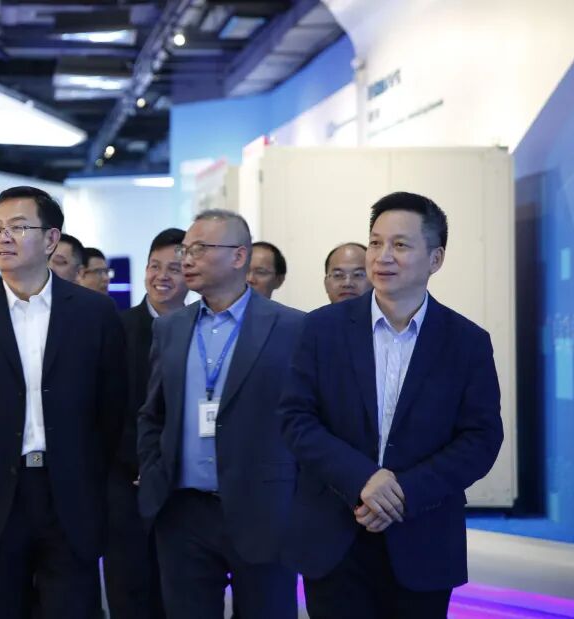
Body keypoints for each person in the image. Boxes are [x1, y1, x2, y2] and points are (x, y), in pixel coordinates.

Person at [279, 192, 503, 618]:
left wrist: (402, 493)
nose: (382, 256)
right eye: (376, 242)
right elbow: (296, 419)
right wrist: (363, 480)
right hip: (334, 535)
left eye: (400, 245)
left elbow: (481, 439)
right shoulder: (321, 329)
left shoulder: (466, 342)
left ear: (435, 259)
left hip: (423, 534)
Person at [0, 186, 126, 618]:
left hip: (70, 494)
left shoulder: (94, 314)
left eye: (18, 227)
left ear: (51, 239)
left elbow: (111, 406)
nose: (3, 237)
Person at [138, 210, 303, 618]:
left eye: (199, 249)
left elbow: (306, 419)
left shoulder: (291, 328)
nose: (186, 259)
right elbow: (153, 412)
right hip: (183, 511)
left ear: (238, 256)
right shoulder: (171, 328)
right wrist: (155, 471)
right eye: (185, 250)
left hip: (263, 509)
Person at [105, 228, 186, 619]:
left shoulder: (204, 329)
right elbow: (105, 408)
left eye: (174, 268)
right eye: (155, 266)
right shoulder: (115, 329)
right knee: (131, 586)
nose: (162, 276)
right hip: (127, 480)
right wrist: (143, 463)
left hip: (186, 486)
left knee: (182, 589)